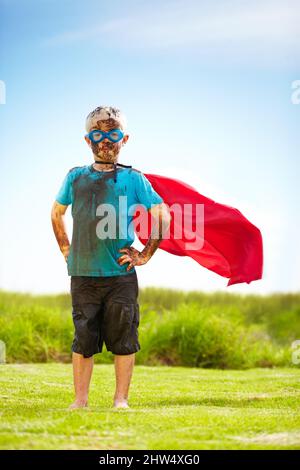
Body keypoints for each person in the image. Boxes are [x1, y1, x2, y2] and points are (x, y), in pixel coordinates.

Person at [51, 106, 171, 410]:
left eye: (113, 134)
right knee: (83, 338)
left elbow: (162, 214)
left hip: (120, 277)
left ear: (124, 138)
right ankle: (80, 401)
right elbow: (56, 213)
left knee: (124, 338)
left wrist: (145, 253)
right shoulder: (75, 177)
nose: (105, 140)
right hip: (83, 274)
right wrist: (66, 250)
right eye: (98, 134)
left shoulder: (134, 179)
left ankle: (121, 400)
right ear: (87, 139)